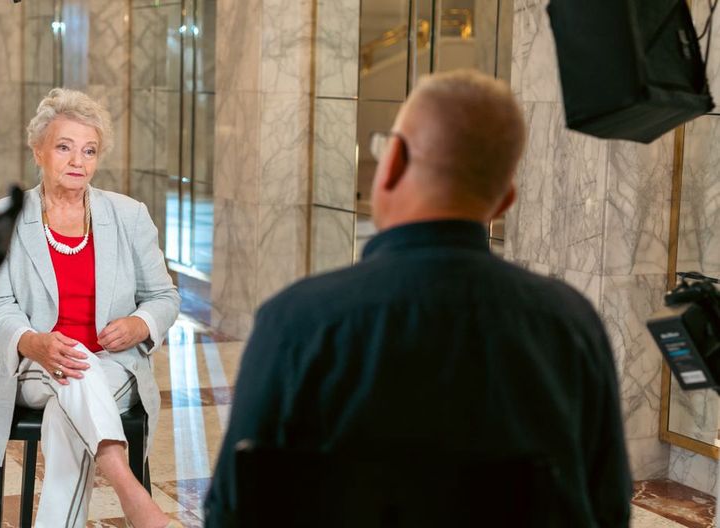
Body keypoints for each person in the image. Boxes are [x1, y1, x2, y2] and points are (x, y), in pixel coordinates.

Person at [204, 70, 631, 525]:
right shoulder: (571, 326)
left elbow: (234, 511)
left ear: (391, 163)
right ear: (505, 200)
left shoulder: (297, 321)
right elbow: (607, 508)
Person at [0, 88, 182, 528]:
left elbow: (165, 297)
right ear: (38, 150)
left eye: (89, 150)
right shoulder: (4, 218)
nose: (78, 161)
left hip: (113, 366)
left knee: (67, 408)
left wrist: (139, 323)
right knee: (74, 372)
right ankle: (127, 487)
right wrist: (32, 341)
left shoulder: (128, 215)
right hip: (33, 367)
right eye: (64, 147)